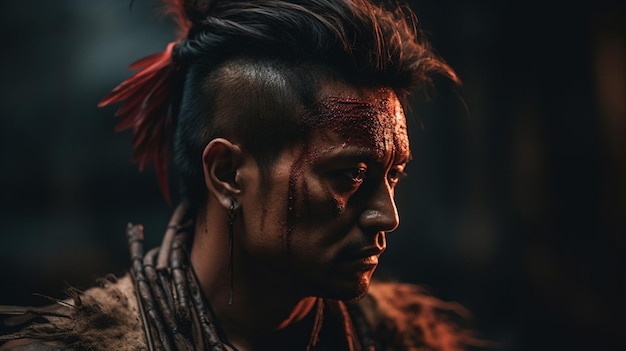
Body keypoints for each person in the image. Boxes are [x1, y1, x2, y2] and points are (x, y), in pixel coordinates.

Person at [0, 0, 478, 350]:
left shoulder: (404, 341)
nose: (386, 217)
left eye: (392, 174)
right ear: (227, 173)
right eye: (350, 174)